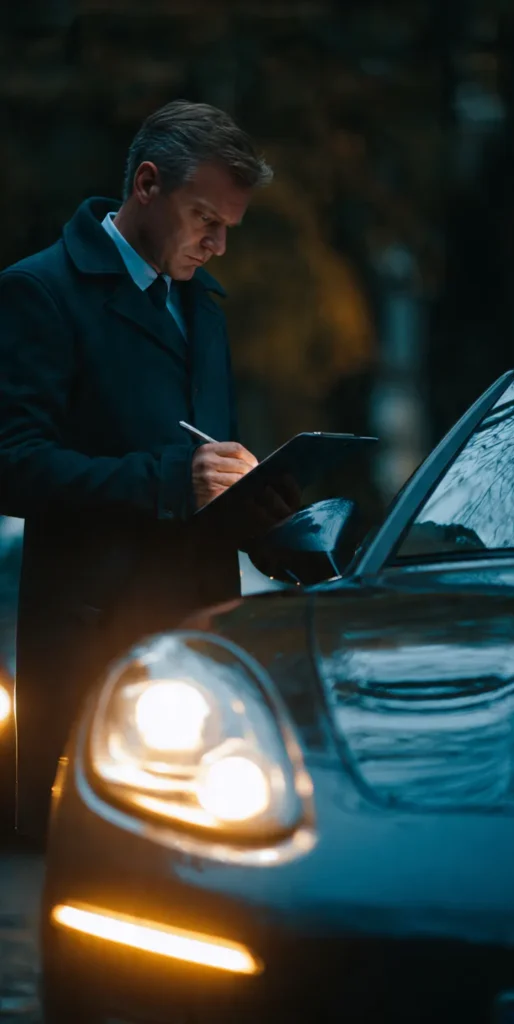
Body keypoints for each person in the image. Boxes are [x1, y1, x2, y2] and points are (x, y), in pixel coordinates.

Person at [0, 100, 285, 839]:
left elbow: (210, 469)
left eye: (229, 227)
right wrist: (169, 480)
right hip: (92, 642)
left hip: (202, 644)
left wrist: (287, 521)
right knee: (85, 871)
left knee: (198, 866)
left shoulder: (204, 308)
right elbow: (12, 464)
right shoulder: (39, 291)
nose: (218, 245)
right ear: (148, 185)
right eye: (206, 220)